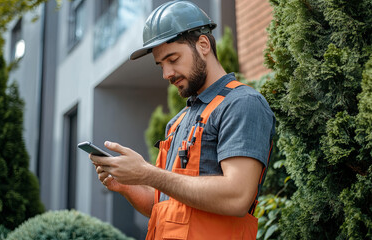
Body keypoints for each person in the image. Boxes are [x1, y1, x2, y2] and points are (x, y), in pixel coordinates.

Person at [90, 1, 275, 239]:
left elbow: (237, 197)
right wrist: (126, 184)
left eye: (173, 59)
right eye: (161, 65)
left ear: (203, 45)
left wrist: (147, 173)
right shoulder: (177, 123)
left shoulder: (242, 103)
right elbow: (164, 207)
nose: (166, 74)